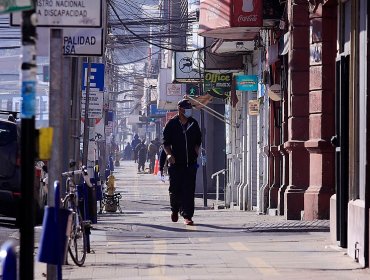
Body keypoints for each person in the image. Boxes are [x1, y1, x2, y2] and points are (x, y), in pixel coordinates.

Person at [162, 98, 202, 225]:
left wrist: (196, 150)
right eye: (187, 108)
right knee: (175, 189)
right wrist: (169, 155)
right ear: (180, 109)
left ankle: (187, 215)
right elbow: (165, 143)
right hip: (175, 164)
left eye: (190, 108)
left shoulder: (193, 123)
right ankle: (175, 209)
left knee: (189, 190)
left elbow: (198, 139)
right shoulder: (171, 124)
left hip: (190, 163)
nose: (189, 111)